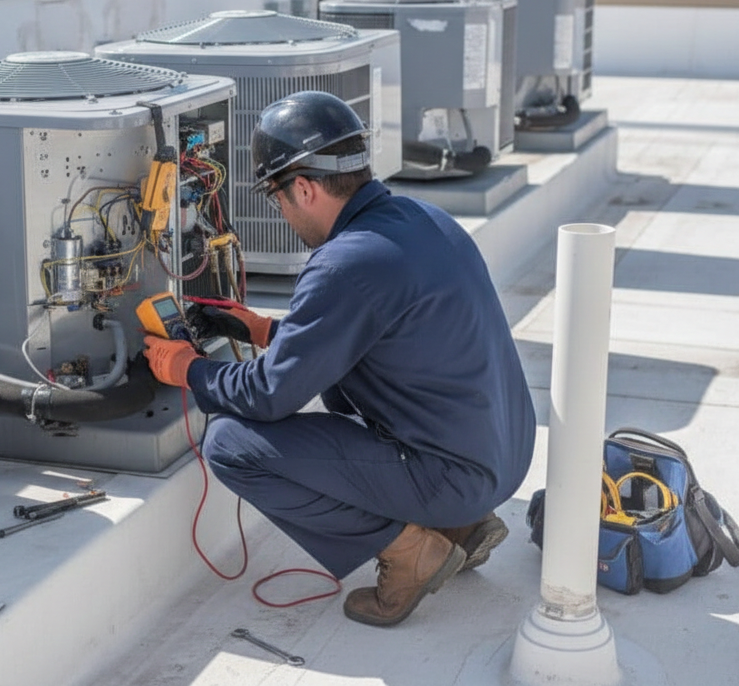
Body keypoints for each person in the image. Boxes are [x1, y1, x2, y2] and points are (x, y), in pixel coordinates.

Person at [142, 91, 536, 628]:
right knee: (340, 389)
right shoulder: (421, 220)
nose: (280, 211)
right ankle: (462, 525)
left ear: (303, 187)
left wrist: (186, 368)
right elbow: (372, 340)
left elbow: (267, 397)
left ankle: (410, 551)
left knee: (230, 444)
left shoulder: (343, 265)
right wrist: (264, 330)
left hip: (454, 475)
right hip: (504, 456)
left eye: (276, 197)